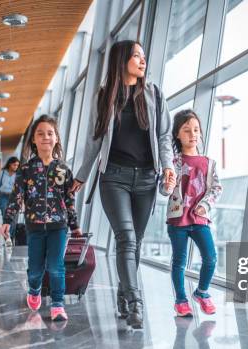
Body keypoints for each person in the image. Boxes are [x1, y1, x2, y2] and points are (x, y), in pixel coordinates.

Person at [71, 40, 176, 329]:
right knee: (126, 239)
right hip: (113, 177)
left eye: (144, 56)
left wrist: (168, 166)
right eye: (136, 56)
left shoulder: (154, 94)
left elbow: (164, 136)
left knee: (135, 242)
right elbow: (94, 140)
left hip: (146, 179)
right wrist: (81, 174)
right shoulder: (104, 96)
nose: (143, 61)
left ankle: (122, 295)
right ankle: (135, 301)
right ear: (122, 60)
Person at [1, 115, 82, 322]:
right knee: (36, 269)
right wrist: (7, 221)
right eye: (40, 133)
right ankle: (34, 289)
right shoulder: (26, 169)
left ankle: (57, 304)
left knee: (56, 266)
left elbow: (69, 199)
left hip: (59, 226)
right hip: (34, 226)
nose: (45, 136)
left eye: (50, 133)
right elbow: (16, 196)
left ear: (56, 139)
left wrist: (74, 226)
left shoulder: (64, 169)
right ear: (33, 141)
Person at [160, 110, 222, 317]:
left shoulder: (209, 163)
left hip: (200, 219)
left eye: (196, 129)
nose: (192, 134)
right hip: (177, 219)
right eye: (186, 130)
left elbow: (216, 189)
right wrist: (167, 186)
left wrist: (205, 205)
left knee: (211, 258)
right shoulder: (173, 163)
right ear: (177, 134)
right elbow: (164, 189)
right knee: (179, 261)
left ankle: (202, 292)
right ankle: (181, 301)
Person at [0, 156, 20, 245]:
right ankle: (7, 238)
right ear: (9, 164)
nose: (16, 167)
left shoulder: (18, 174)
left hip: (15, 197)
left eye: (17, 165)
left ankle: (10, 237)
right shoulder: (3, 172)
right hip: (4, 196)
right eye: (14, 165)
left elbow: (20, 187)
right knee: (6, 217)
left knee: (13, 218)